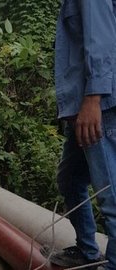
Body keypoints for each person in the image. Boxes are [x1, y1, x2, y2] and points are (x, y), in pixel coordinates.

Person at [48, 0, 116, 268]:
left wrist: (93, 97)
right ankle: (88, 250)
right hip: (83, 107)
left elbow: (100, 37)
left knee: (111, 196)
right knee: (71, 179)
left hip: (100, 105)